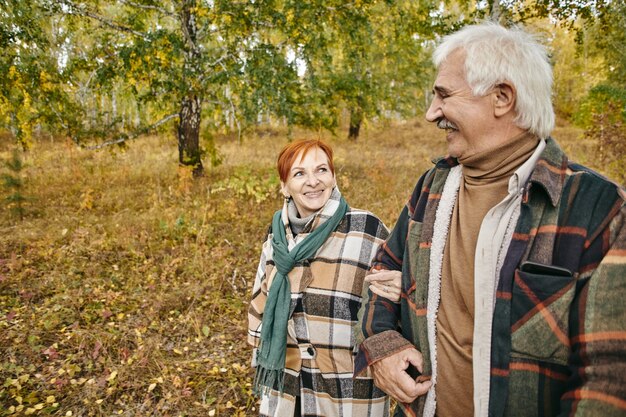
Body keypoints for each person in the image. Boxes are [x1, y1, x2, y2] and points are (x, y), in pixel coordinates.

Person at [355, 22, 626, 417]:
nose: (432, 113)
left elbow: (608, 382)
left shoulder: (599, 210)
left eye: (444, 95)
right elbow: (384, 271)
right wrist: (382, 344)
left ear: (502, 98)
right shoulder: (432, 187)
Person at [248, 139, 391, 416]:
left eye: (321, 170)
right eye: (299, 173)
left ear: (333, 177)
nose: (313, 181)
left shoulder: (367, 229)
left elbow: (389, 311)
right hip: (289, 390)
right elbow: (259, 303)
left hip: (347, 392)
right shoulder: (276, 237)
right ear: (284, 186)